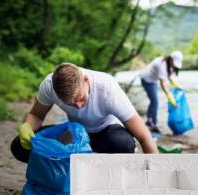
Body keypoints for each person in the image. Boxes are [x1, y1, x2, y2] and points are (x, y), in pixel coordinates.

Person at [11, 63, 158, 162]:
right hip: (75, 134)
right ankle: (58, 174)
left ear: (86, 80)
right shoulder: (49, 86)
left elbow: (144, 136)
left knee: (123, 143)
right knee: (19, 146)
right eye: (71, 103)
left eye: (81, 98)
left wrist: (155, 171)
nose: (79, 106)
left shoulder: (108, 89)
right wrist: (26, 127)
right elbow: (36, 115)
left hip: (105, 133)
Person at [140, 51, 183, 133]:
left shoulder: (169, 64)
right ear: (171, 59)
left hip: (153, 80)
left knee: (153, 101)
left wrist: (177, 86)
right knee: (155, 101)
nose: (175, 66)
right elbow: (163, 84)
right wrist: (170, 98)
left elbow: (169, 77)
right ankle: (152, 124)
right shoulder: (161, 64)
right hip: (147, 80)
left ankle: (150, 121)